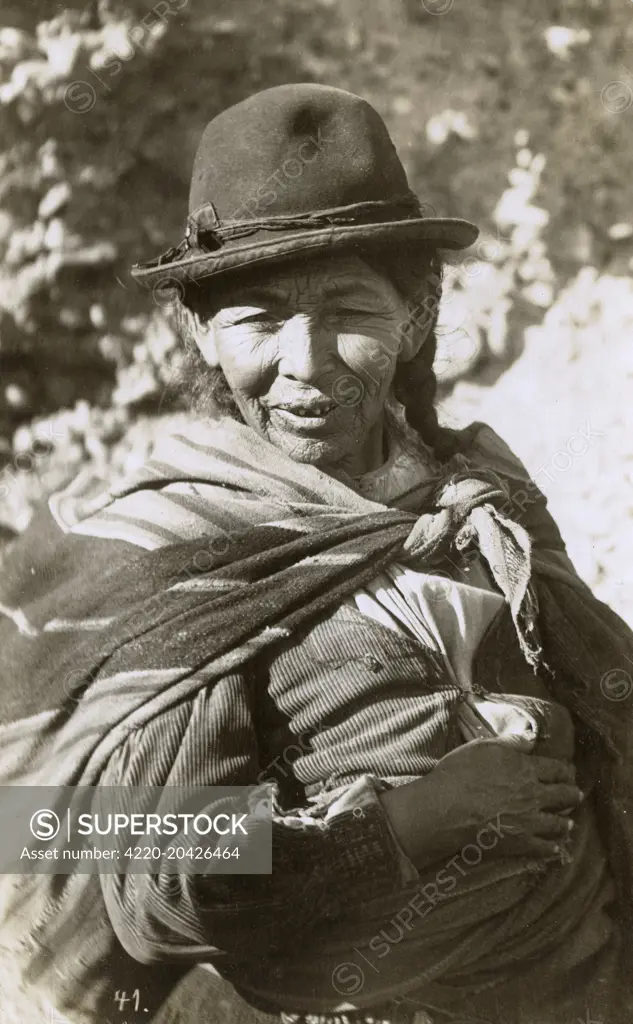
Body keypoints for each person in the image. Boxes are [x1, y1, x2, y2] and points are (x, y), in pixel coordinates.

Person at [0, 83, 631, 1024]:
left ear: (415, 318)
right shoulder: (180, 554)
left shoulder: (478, 495)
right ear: (201, 334)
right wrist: (411, 824)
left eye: (350, 310)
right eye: (256, 318)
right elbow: (134, 865)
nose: (307, 362)